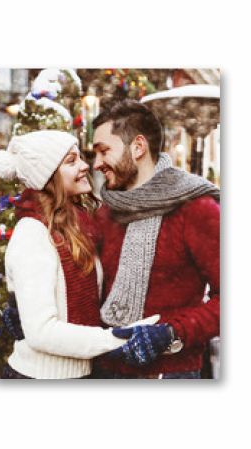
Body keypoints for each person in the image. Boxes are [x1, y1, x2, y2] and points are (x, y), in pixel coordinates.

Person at [0, 130, 158, 379]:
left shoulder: (78, 225)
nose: (84, 166)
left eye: (80, 157)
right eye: (71, 161)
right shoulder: (33, 233)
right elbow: (41, 332)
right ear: (47, 176)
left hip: (81, 374)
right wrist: (114, 339)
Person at [91, 99, 220, 379]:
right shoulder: (105, 212)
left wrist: (171, 332)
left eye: (104, 151)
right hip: (104, 369)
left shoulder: (196, 209)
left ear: (138, 147)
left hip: (170, 374)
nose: (97, 163)